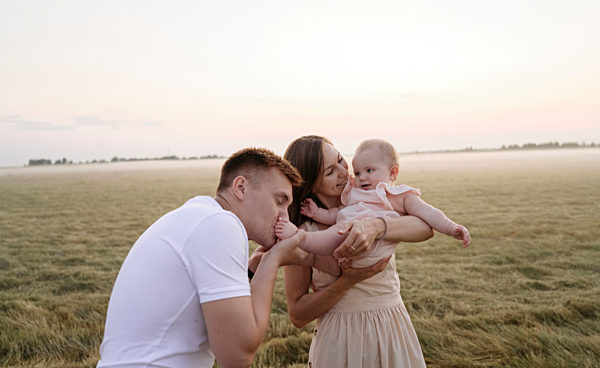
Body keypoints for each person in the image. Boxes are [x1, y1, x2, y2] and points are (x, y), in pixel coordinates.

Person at [97, 147, 310, 368]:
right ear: (241, 188)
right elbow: (237, 356)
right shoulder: (219, 225)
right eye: (279, 201)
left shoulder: (199, 216)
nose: (285, 216)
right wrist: (272, 260)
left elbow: (223, 325)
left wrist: (252, 271)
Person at [283, 135, 463, 368]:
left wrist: (377, 226)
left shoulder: (368, 200)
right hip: (339, 341)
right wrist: (346, 282)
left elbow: (425, 228)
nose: (343, 172)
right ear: (309, 184)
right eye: (330, 171)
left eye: (340, 160)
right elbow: (297, 315)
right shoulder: (303, 234)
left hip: (391, 326)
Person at [276, 138, 471, 276]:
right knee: (336, 234)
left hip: (373, 252)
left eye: (341, 160)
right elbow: (338, 214)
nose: (350, 174)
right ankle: (297, 240)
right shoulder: (354, 193)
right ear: (311, 183)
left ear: (392, 172)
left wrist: (451, 227)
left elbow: (428, 216)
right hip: (347, 250)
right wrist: (317, 213)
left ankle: (298, 242)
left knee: (339, 235)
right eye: (358, 172)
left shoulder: (396, 195)